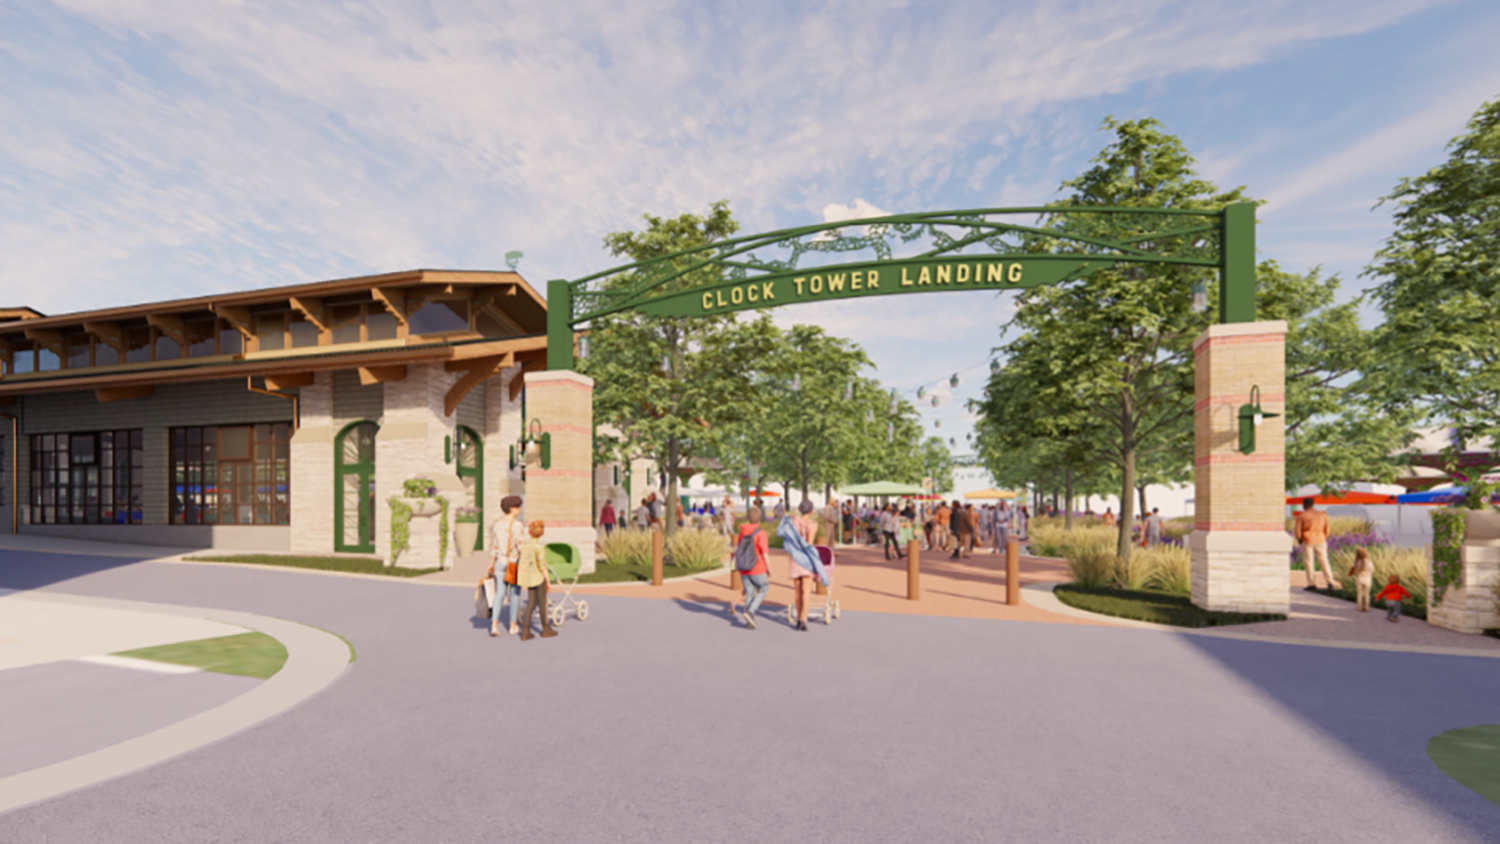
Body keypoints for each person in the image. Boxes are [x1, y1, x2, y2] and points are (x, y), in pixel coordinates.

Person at [488, 495, 527, 637]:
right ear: (512, 509)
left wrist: (491, 564)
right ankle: (512, 625)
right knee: (515, 594)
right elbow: (520, 545)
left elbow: (494, 546)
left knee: (499, 593)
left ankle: (494, 625)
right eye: (518, 507)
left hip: (499, 562)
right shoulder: (517, 525)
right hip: (513, 562)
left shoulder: (497, 525)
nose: (520, 509)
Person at [516, 519, 557, 640]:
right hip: (538, 578)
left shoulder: (525, 547)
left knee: (531, 604)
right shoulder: (539, 548)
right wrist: (547, 580)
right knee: (542, 603)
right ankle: (546, 628)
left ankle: (525, 630)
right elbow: (542, 566)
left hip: (528, 578)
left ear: (529, 532)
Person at [786, 503, 822, 631]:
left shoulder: (793, 521)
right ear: (811, 511)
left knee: (797, 590)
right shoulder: (813, 524)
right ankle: (803, 619)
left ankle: (798, 618)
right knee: (806, 590)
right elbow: (809, 543)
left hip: (795, 557)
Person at [733, 508, 771, 628]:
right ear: (759, 519)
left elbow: (738, 549)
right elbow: (764, 553)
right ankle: (750, 611)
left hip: (744, 568)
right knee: (763, 588)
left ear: (748, 518)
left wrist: (737, 566)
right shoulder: (761, 533)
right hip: (757, 567)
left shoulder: (743, 531)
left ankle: (750, 620)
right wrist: (769, 568)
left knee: (749, 592)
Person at [1293, 497, 1335, 592]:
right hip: (1321, 540)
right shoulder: (1322, 515)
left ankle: (1311, 584)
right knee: (1324, 562)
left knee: (1309, 562)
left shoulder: (1302, 516)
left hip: (1307, 540)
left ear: (1304, 505)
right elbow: (1327, 529)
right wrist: (1324, 537)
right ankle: (1330, 582)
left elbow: (1297, 530)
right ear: (1313, 504)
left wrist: (1300, 539)